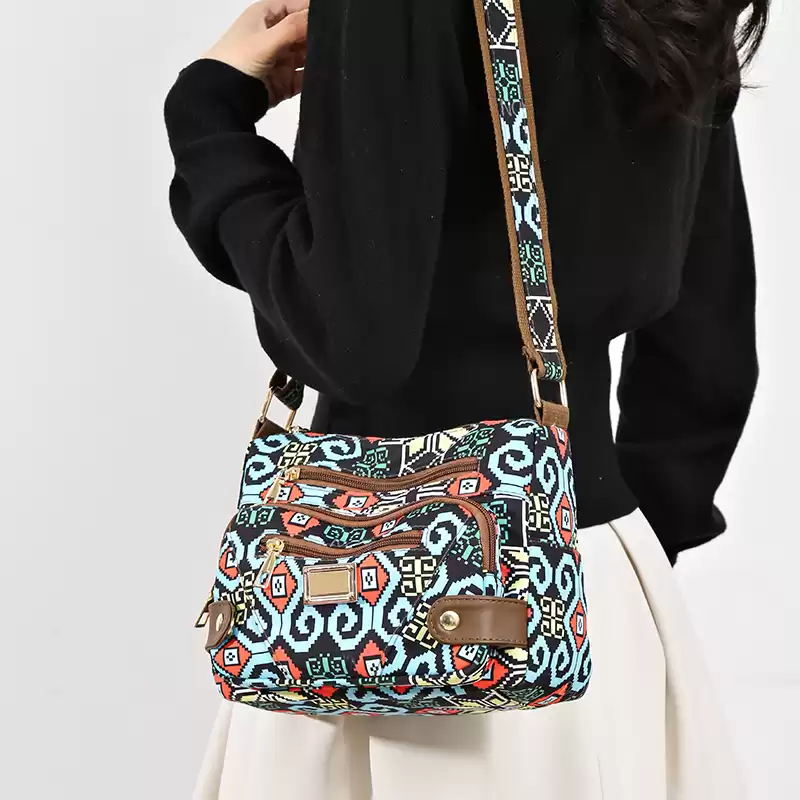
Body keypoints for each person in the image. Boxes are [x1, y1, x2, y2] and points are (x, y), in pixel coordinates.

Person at [165, 1, 766, 797]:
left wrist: (208, 112)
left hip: (353, 610)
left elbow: (350, 337)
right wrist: (585, 559)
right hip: (591, 604)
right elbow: (707, 354)